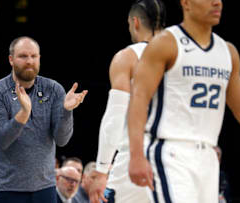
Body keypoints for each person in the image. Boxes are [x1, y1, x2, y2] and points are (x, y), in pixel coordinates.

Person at [127, 0, 240, 203]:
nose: (217, 2)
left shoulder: (228, 52)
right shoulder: (166, 43)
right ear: (186, 3)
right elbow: (139, 99)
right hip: (171, 152)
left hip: (209, 156)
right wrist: (137, 154)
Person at [0, 36, 88, 203]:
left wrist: (66, 111)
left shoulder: (53, 89)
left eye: (33, 56)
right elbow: (1, 140)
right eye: (23, 56)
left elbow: (62, 140)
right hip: (7, 189)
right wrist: (23, 114)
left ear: (39, 59)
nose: (29, 61)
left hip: (45, 189)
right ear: (11, 59)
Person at [89, 0, 166, 202]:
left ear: (135, 22)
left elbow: (115, 116)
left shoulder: (128, 57)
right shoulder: (181, 58)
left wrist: (101, 170)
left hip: (137, 156)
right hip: (179, 159)